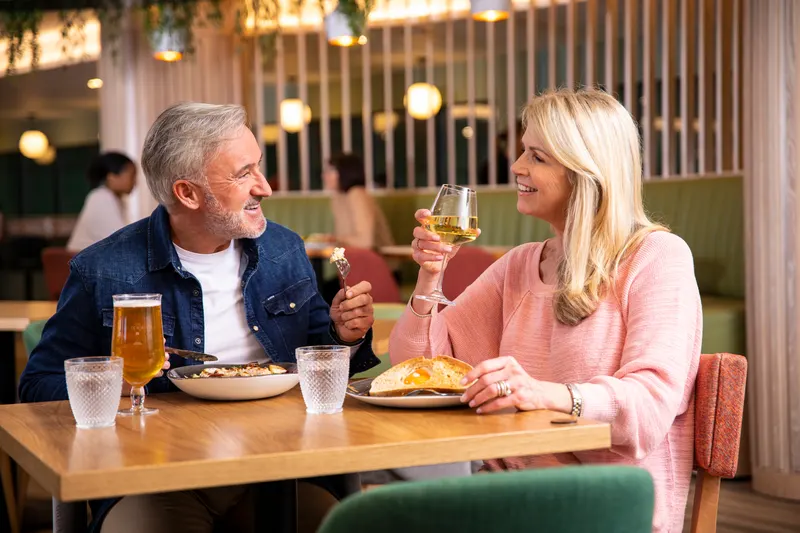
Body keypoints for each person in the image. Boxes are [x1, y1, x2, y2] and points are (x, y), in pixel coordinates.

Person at [20, 102, 380, 533]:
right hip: (156, 477)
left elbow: (322, 351)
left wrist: (344, 335)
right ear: (187, 193)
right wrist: (118, 381)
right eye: (243, 174)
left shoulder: (284, 249)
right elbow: (36, 386)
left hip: (279, 468)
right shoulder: (104, 268)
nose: (264, 187)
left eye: (258, 168)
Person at [389, 89, 702, 533]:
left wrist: (543, 393)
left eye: (536, 156)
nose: (516, 166)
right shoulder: (521, 264)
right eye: (522, 151)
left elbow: (648, 411)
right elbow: (416, 368)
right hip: (507, 500)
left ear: (586, 172)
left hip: (603, 511)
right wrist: (430, 276)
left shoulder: (656, 257)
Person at [321, 153, 395, 303]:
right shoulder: (340, 198)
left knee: (320, 296)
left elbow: (364, 241)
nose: (325, 175)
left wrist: (335, 239)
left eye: (330, 171)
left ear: (345, 172)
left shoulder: (357, 194)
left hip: (377, 273)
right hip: (356, 271)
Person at [67, 151, 137, 252]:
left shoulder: (114, 199)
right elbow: (121, 240)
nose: (135, 182)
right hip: (85, 263)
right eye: (132, 176)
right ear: (111, 177)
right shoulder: (101, 198)